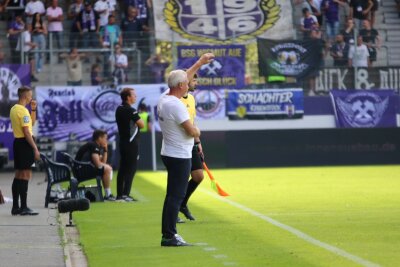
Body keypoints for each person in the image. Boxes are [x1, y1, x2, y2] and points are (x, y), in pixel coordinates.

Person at [158, 52, 214, 247]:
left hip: (169, 152)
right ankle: (169, 235)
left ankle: (168, 233)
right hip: (179, 154)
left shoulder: (164, 98)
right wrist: (197, 129)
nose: (188, 83)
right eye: (186, 82)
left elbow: (183, 78)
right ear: (182, 86)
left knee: (171, 195)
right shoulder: (177, 106)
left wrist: (199, 62)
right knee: (176, 196)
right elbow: (191, 131)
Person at [9, 86, 40, 216]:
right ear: (25, 96)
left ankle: (16, 206)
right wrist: (35, 148)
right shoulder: (22, 111)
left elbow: (31, 123)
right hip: (25, 143)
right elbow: (27, 131)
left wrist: (33, 109)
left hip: (18, 142)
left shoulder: (14, 109)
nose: (31, 98)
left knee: (18, 175)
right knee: (26, 175)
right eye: (30, 95)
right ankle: (24, 207)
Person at [178, 72, 204, 222]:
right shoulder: (176, 99)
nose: (196, 83)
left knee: (198, 176)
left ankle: (182, 204)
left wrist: (198, 142)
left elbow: (192, 123)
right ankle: (173, 211)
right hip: (179, 144)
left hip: (191, 142)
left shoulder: (192, 99)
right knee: (179, 180)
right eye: (194, 80)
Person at [115, 88, 144, 202]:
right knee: (131, 169)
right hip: (131, 143)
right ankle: (126, 194)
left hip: (123, 142)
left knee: (122, 169)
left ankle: (119, 195)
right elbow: (141, 124)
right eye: (134, 95)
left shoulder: (119, 109)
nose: (135, 97)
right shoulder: (130, 110)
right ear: (128, 97)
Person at [75, 129, 116, 201]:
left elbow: (103, 162)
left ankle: (108, 195)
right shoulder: (93, 145)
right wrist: (108, 168)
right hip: (81, 170)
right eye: (105, 138)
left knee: (106, 168)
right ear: (99, 138)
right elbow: (98, 164)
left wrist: (105, 150)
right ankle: (108, 195)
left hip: (82, 168)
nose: (106, 140)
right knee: (107, 169)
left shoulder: (94, 145)